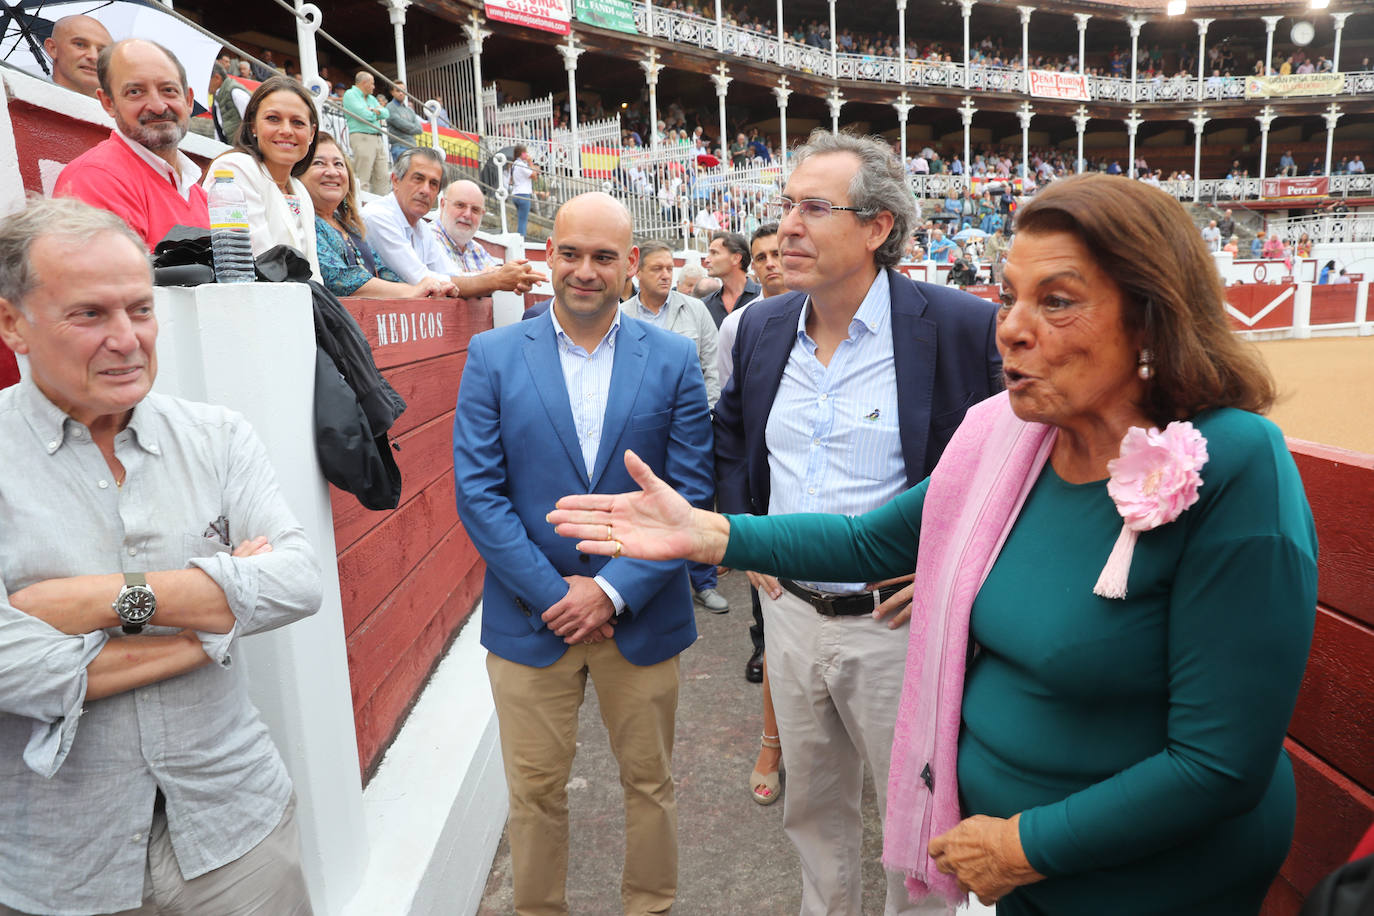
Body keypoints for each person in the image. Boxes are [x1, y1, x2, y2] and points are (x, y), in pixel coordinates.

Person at [549, 172, 1317, 916]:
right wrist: (709, 532)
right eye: (1010, 296)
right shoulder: (1010, 438)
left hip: (1151, 884)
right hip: (1022, 874)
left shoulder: (1235, 463)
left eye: (1056, 302)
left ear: (1151, 317)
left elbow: (1218, 766)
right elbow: (866, 539)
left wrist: (1027, 845)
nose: (1011, 326)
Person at [0, 197, 324, 915]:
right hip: (59, 862)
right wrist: (217, 617)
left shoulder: (218, 435)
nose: (127, 339)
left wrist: (101, 601)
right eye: (90, 315)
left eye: (140, 310)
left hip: (236, 830)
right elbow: (8, 667)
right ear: (11, 323)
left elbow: (299, 581)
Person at [715, 130, 1002, 915]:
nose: (787, 229)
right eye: (785, 208)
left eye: (815, 208)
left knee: (916, 826)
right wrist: (750, 532)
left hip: (896, 624)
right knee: (814, 814)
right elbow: (733, 439)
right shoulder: (762, 328)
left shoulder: (958, 327)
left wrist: (948, 567)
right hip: (791, 616)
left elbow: (1004, 468)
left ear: (878, 226)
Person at [452, 192, 714, 916]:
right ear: (547, 258)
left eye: (604, 257)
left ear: (630, 266)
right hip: (531, 615)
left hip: (641, 612)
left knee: (651, 784)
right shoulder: (494, 354)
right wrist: (556, 594)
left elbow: (687, 494)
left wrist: (610, 591)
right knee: (533, 794)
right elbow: (479, 493)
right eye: (570, 253)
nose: (585, 271)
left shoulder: (673, 357)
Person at [621, 240, 725, 615]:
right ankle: (650, 580)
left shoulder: (695, 310)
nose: (666, 274)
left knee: (695, 496)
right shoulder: (623, 315)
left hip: (691, 422)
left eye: (670, 267)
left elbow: (711, 367)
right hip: (642, 425)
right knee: (646, 496)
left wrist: (707, 415)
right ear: (637, 272)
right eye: (657, 269)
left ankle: (703, 581)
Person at [55, 40, 210, 251]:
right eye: (135, 92)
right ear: (108, 103)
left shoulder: (198, 193)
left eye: (169, 90)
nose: (157, 106)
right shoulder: (95, 179)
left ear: (189, 100)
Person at [303, 133, 450, 299]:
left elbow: (382, 272)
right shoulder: (302, 220)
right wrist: (412, 291)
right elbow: (341, 279)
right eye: (318, 163)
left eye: (338, 164)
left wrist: (433, 288)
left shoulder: (351, 227)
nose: (332, 172)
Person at [203, 76, 321, 281]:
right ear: (252, 126)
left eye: (298, 122)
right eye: (273, 118)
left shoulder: (300, 189)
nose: (286, 130)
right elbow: (262, 266)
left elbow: (312, 273)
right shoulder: (234, 169)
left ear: (311, 134)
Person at [363, 149, 495, 299]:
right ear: (395, 181)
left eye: (433, 184)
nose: (426, 190)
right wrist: (494, 280)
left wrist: (494, 276)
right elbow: (419, 279)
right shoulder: (378, 216)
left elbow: (451, 274)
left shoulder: (422, 228)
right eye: (418, 179)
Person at [434, 179, 546, 297]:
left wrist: (519, 276)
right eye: (460, 205)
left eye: (475, 210)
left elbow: (496, 272)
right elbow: (447, 281)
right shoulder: (429, 238)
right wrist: (495, 277)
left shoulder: (476, 248)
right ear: (442, 204)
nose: (467, 215)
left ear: (482, 214)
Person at [700, 230, 761, 328]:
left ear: (736, 258)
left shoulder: (762, 297)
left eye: (714, 253)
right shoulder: (705, 305)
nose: (707, 260)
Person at [342, 71, 390, 195]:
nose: (374, 87)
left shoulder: (371, 98)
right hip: (361, 137)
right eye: (372, 84)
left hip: (377, 138)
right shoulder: (350, 94)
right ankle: (361, 207)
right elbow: (365, 116)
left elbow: (386, 113)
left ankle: (382, 206)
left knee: (383, 176)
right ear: (364, 83)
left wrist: (374, 111)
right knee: (363, 175)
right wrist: (376, 112)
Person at [42, 14, 112, 97]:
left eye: (102, 51)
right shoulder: (28, 101)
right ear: (52, 48)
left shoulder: (121, 108)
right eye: (80, 44)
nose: (94, 56)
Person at [385, 81, 426, 162]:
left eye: (403, 90)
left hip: (413, 147)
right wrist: (412, 127)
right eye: (398, 90)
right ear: (392, 92)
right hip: (399, 147)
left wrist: (407, 127)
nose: (401, 93)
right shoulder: (390, 108)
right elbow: (401, 125)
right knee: (403, 174)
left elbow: (420, 129)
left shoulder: (409, 110)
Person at [509, 145, 537, 237]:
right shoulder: (521, 164)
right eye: (526, 152)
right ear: (522, 153)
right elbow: (534, 176)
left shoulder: (514, 164)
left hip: (516, 194)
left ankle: (520, 238)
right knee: (523, 221)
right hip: (523, 195)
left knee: (521, 219)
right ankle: (521, 241)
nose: (527, 154)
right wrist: (530, 162)